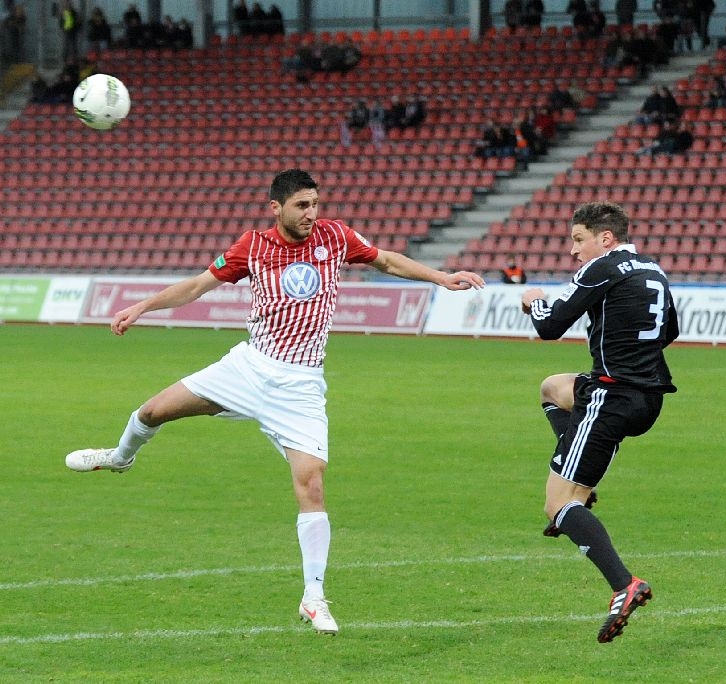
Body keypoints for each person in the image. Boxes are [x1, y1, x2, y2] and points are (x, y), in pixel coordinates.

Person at [64, 169, 485, 634]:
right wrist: (141, 306)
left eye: (315, 204)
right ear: (276, 208)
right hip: (248, 369)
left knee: (312, 485)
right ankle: (120, 457)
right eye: (302, 205)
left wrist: (441, 277)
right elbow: (197, 286)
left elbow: (386, 260)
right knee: (151, 412)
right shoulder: (253, 246)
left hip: (300, 386)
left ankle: (314, 598)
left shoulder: (335, 237)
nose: (311, 213)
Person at [520, 201, 679, 643]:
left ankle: (624, 584)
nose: (574, 250)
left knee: (557, 505)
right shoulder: (653, 268)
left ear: (605, 238)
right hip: (649, 396)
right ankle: (581, 484)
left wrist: (533, 301)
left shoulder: (602, 267)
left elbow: (550, 325)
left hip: (610, 398)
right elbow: (669, 332)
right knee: (553, 387)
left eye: (579, 239)